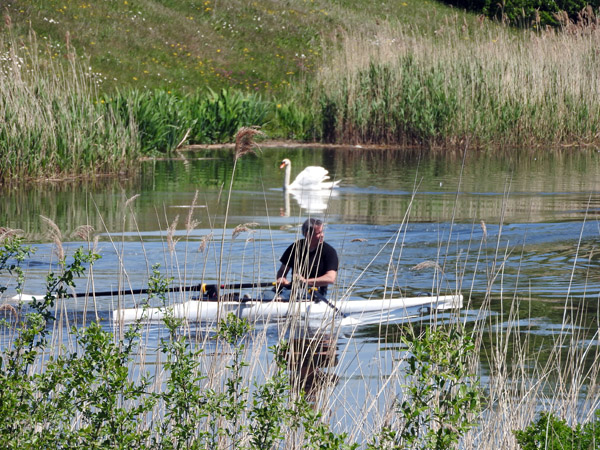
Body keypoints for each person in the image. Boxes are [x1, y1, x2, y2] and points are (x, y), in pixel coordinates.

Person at [276, 218, 338, 296]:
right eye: (318, 233)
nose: (322, 235)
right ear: (307, 234)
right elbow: (282, 271)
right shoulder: (295, 248)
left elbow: (330, 278)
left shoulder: (329, 252)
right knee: (267, 294)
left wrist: (305, 281)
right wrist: (281, 279)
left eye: (322, 232)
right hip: (293, 290)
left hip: (315, 292)